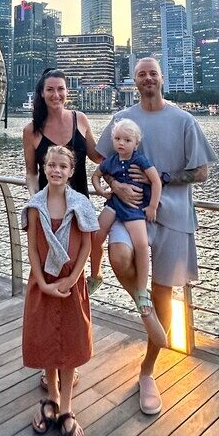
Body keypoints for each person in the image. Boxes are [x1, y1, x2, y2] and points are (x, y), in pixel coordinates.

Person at [96, 58, 217, 416]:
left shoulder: (184, 121)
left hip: (173, 217)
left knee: (164, 294)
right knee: (117, 257)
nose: (147, 78)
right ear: (134, 81)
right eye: (141, 74)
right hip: (129, 213)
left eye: (153, 73)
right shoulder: (122, 120)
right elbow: (101, 164)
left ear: (162, 79)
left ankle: (148, 371)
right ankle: (140, 303)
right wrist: (115, 185)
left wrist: (160, 179)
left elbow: (202, 172)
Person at [22, 68, 102, 392]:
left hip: (77, 219)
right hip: (48, 218)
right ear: (42, 93)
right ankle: (48, 367)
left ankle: (67, 358)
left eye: (61, 89)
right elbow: (30, 173)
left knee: (73, 292)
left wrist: (129, 161)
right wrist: (34, 206)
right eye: (50, 89)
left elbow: (98, 156)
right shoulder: (31, 130)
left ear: (67, 92)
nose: (56, 95)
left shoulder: (80, 120)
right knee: (45, 293)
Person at [22, 145, 98, 436]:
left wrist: (72, 278)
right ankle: (51, 397)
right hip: (43, 282)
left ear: (71, 171)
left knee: (70, 343)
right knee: (46, 343)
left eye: (62, 166)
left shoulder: (80, 205)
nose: (55, 170)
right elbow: (31, 248)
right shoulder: (34, 206)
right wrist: (42, 282)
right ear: (43, 167)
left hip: (70, 283)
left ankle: (66, 407)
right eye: (50, 165)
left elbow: (86, 248)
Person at [91, 118, 166, 348]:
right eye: (117, 139)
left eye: (127, 140)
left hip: (134, 209)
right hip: (114, 205)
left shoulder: (139, 160)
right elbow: (95, 175)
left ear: (136, 143)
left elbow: (156, 181)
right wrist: (102, 191)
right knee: (95, 235)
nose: (121, 143)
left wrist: (152, 206)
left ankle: (141, 290)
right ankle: (96, 274)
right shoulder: (111, 162)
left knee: (142, 245)